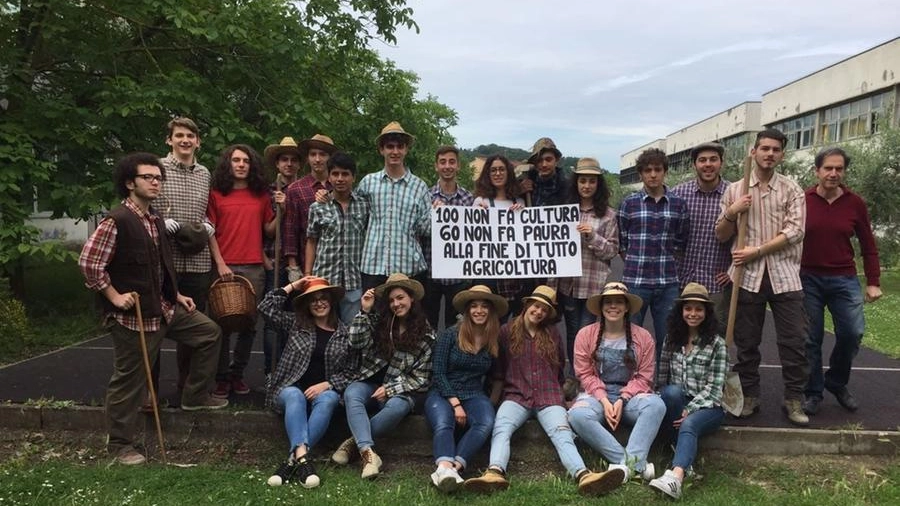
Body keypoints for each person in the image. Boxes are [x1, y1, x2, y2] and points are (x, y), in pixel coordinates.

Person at [78, 153, 227, 465]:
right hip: (132, 317)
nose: (155, 182)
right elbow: (90, 263)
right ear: (130, 183)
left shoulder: (155, 219)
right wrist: (114, 296)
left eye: (158, 177)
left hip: (165, 308)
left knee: (209, 333)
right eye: (148, 177)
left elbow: (159, 267)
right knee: (129, 380)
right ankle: (120, 445)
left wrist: (177, 294)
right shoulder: (117, 220)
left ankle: (193, 397)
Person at [464, 286, 624, 496]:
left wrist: (563, 397)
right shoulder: (506, 331)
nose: (539, 312)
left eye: (544, 310)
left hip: (549, 396)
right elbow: (499, 368)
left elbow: (558, 368)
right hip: (516, 395)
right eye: (536, 306)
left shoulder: (551, 333)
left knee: (562, 433)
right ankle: (494, 473)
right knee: (502, 427)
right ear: (527, 305)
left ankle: (584, 476)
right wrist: (495, 399)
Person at [715, 128, 809, 426]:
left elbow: (795, 231)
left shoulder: (791, 189)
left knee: (794, 340)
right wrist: (733, 211)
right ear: (753, 152)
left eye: (775, 149)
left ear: (781, 155)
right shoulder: (734, 189)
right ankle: (750, 397)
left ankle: (794, 399)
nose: (769, 154)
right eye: (764, 148)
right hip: (747, 277)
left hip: (784, 275)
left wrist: (757, 250)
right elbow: (721, 235)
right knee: (746, 342)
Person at [801, 147, 882, 415]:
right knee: (810, 339)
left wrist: (873, 281)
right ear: (817, 171)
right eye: (828, 168)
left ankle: (835, 382)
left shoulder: (855, 203)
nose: (833, 173)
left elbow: (868, 245)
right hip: (807, 279)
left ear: (844, 171)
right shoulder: (803, 200)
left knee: (852, 333)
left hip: (843, 278)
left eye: (839, 168)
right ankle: (812, 392)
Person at [331, 273, 435, 479]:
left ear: (411, 298)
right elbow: (356, 342)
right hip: (371, 383)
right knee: (352, 392)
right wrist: (365, 310)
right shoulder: (379, 321)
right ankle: (369, 454)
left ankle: (353, 443)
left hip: (401, 390)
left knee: (397, 407)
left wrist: (390, 389)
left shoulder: (426, 333)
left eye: (400, 297)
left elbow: (422, 377)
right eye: (391, 300)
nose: (396, 304)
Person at [259, 276, 360, 488]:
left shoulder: (345, 333)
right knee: (295, 395)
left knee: (330, 398)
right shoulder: (296, 323)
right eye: (313, 299)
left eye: (324, 298)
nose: (319, 302)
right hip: (289, 387)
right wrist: (294, 286)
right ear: (307, 304)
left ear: (332, 302)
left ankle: (293, 461)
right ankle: (303, 459)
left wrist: (328, 383)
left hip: (323, 392)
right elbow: (265, 307)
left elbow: (352, 371)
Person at [568, 281, 665, 483]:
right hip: (596, 396)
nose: (613, 306)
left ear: (627, 307)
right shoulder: (585, 335)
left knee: (656, 405)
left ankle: (624, 468)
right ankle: (633, 465)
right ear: (601, 307)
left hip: (631, 397)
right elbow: (584, 374)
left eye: (619, 302)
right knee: (577, 415)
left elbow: (645, 376)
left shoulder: (643, 337)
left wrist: (622, 398)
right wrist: (604, 400)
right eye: (608, 302)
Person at [207, 144, 276, 398]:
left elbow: (269, 230)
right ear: (228, 163)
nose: (241, 164)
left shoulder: (261, 195)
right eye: (236, 160)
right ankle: (222, 377)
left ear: (251, 165)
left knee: (248, 325)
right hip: (224, 266)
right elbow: (209, 231)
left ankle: (238, 374)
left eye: (245, 160)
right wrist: (220, 263)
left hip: (254, 267)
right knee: (220, 325)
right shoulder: (216, 194)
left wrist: (284, 209)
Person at [155, 117, 216, 400]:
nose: (185, 140)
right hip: (163, 261)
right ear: (169, 140)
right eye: (179, 135)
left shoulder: (205, 173)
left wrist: (207, 224)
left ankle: (187, 388)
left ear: (198, 141)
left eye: (190, 136)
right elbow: (142, 207)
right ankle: (149, 393)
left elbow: (205, 209)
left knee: (193, 331)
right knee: (154, 326)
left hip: (197, 261)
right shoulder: (157, 169)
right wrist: (159, 222)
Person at [425, 285, 506, 493]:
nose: (479, 311)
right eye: (474, 306)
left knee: (486, 422)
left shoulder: (493, 340)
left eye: (484, 306)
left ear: (490, 311)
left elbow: (497, 376)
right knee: (445, 422)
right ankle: (443, 467)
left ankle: (454, 469)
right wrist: (456, 404)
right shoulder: (451, 334)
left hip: (473, 393)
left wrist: (491, 403)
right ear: (467, 311)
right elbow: (439, 373)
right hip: (443, 391)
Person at [650, 283, 727, 500]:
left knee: (690, 423)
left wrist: (690, 410)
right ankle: (685, 458)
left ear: (707, 313)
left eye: (699, 309)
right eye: (688, 308)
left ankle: (676, 477)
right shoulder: (671, 339)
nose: (693, 314)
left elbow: (715, 389)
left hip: (708, 405)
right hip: (678, 400)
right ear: (681, 311)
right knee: (671, 392)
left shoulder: (717, 344)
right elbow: (662, 380)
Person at [618, 148, 689, 364]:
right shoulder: (628, 204)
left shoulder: (678, 204)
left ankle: (662, 384)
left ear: (665, 172)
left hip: (667, 283)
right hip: (636, 283)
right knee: (631, 338)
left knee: (667, 338)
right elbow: (623, 244)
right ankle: (632, 384)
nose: (653, 175)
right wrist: (636, 263)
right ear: (640, 173)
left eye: (658, 169)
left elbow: (680, 241)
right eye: (647, 170)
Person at [552, 157, 618, 382]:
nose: (587, 186)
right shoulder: (563, 212)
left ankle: (587, 378)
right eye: (582, 181)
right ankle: (574, 378)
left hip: (593, 285)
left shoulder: (608, 215)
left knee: (588, 333)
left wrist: (592, 236)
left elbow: (611, 251)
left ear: (598, 184)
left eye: (591, 181)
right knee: (572, 333)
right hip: (569, 285)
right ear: (576, 183)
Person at [356, 122, 432, 291]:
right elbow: (354, 216)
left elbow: (426, 229)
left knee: (409, 318)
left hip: (409, 268)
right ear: (381, 150)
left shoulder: (419, 186)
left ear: (406, 150)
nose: (395, 152)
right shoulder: (368, 183)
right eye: (390, 147)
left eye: (400, 147)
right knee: (372, 316)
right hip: (373, 267)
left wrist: (440, 214)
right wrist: (327, 197)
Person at [671, 142, 732, 334]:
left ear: (721, 163)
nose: (708, 164)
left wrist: (733, 270)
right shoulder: (678, 194)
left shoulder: (734, 193)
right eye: (702, 160)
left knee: (715, 338)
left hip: (717, 282)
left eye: (713, 159)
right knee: (679, 336)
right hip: (682, 279)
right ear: (694, 165)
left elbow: (747, 236)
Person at [306, 152, 370, 324]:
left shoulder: (364, 206)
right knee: (323, 329)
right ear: (329, 176)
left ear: (353, 177)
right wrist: (308, 275)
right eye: (335, 174)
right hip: (325, 279)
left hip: (354, 279)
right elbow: (311, 241)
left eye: (345, 174)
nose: (340, 179)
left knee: (352, 331)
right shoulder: (317, 207)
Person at [262, 136, 302, 380]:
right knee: (273, 318)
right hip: (275, 261)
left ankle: (292, 372)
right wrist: (283, 209)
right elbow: (267, 230)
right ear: (277, 164)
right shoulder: (269, 191)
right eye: (284, 160)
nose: (289, 164)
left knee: (297, 318)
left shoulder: (306, 189)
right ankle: (271, 372)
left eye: (293, 160)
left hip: (298, 262)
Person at [423, 145, 474, 330]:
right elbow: (419, 229)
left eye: (452, 161)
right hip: (431, 272)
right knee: (429, 325)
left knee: (457, 327)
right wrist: (432, 214)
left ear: (458, 166)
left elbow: (475, 236)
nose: (447, 166)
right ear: (436, 166)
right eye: (442, 162)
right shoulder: (425, 196)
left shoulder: (469, 199)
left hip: (457, 275)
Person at [472, 154, 525, 318]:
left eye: (501, 169)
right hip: (490, 277)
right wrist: (476, 216)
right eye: (493, 170)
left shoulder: (520, 202)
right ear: (488, 174)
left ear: (508, 172)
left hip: (514, 276)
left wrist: (522, 215)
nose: (497, 173)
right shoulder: (481, 202)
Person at [283, 134, 338, 281]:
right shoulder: (296, 189)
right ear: (307, 158)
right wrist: (293, 266)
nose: (317, 159)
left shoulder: (339, 186)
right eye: (313, 154)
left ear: (330, 158)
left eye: (322, 154)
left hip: (337, 263)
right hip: (307, 264)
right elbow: (290, 230)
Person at [519, 137, 569, 207]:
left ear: (556, 160)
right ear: (534, 163)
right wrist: (518, 192)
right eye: (539, 160)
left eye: (548, 160)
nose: (544, 165)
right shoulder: (525, 185)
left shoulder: (568, 187)